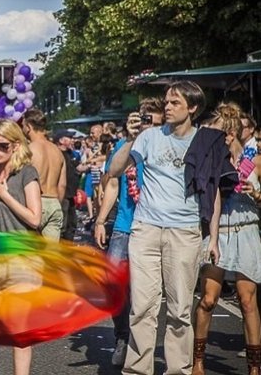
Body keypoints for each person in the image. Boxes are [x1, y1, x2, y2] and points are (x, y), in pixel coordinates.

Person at [108, 81, 220, 375]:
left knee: (180, 310)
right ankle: (136, 370)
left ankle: (178, 370)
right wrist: (131, 139)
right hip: (145, 229)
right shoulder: (148, 137)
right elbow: (113, 171)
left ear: (193, 108)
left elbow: (214, 190)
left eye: (175, 103)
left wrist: (214, 237)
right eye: (167, 102)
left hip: (184, 231)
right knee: (142, 307)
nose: (167, 107)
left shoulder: (204, 141)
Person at [94, 98, 164, 368]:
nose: (148, 125)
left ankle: (140, 342)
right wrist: (100, 220)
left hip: (155, 224)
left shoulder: (163, 146)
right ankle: (123, 334)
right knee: (113, 285)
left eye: (153, 121)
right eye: (144, 120)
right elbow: (112, 182)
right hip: (124, 225)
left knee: (145, 289)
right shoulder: (126, 147)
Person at [193, 103, 261, 375]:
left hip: (246, 229)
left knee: (247, 301)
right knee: (208, 299)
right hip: (218, 231)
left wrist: (255, 191)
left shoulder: (255, 160)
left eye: (221, 133)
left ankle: (254, 368)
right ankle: (197, 362)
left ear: (231, 135)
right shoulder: (212, 161)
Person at [0, 118, 42, 375]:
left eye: (2, 146)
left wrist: (4, 195)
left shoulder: (26, 172)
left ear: (15, 145)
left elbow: (35, 218)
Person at [21, 109, 65, 241]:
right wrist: (57, 204)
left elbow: (23, 180)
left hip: (36, 203)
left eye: (23, 126)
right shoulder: (57, 151)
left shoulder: (29, 150)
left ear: (28, 127)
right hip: (55, 203)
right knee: (50, 257)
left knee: (31, 255)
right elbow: (62, 185)